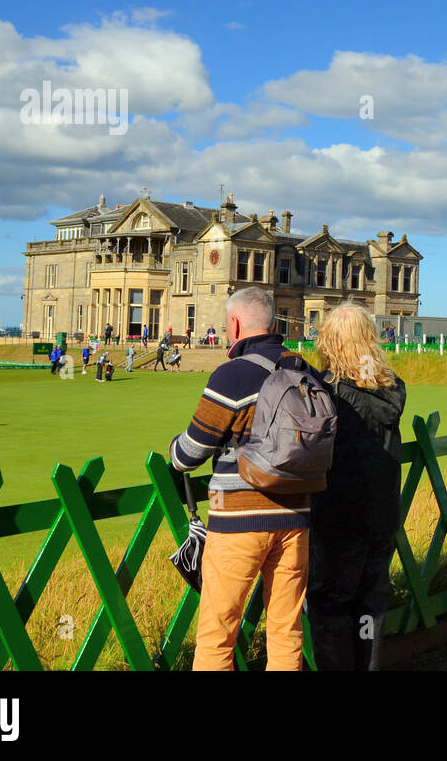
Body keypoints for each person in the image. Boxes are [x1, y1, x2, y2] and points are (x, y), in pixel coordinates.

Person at [169, 287, 310, 671]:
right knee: (286, 630)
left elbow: (190, 453)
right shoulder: (304, 370)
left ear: (233, 325)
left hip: (238, 520)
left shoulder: (232, 375)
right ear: (275, 323)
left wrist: (172, 450)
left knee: (217, 634)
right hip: (297, 516)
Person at [309, 304, 406, 670]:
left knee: (331, 604)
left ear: (330, 340)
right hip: (381, 511)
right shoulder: (392, 386)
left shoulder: (328, 390)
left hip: (338, 514)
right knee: (370, 603)